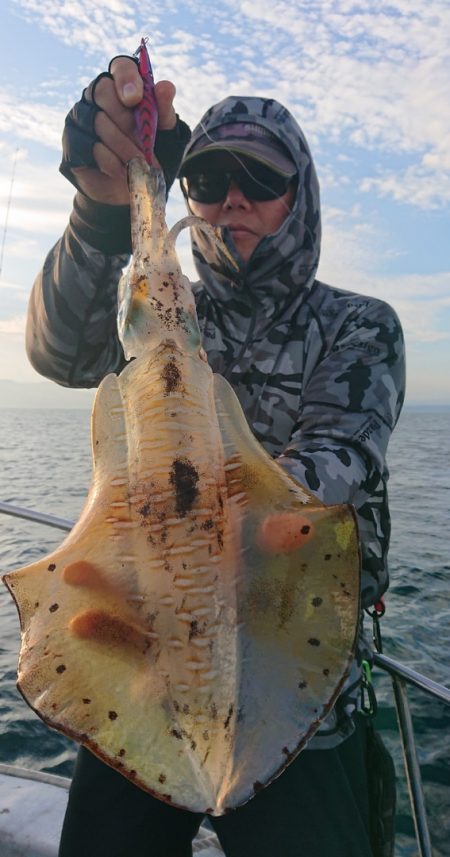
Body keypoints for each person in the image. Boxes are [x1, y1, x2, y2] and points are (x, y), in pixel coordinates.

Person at [26, 53, 405, 857]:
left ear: (297, 197)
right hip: (140, 674)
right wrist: (101, 212)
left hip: (297, 694)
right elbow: (59, 353)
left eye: (258, 179)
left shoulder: (359, 328)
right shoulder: (161, 323)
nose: (230, 196)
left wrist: (195, 530)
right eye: (207, 178)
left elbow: (329, 470)